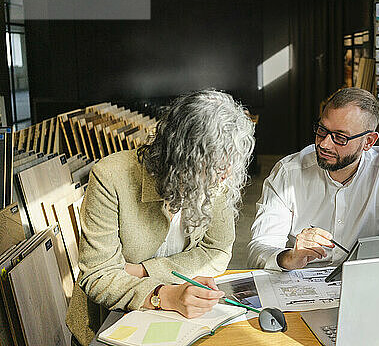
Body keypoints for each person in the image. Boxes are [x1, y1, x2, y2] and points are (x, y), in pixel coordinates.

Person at [66, 90, 255, 345]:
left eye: (231, 161)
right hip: (113, 322)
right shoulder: (111, 177)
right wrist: (165, 296)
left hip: (181, 323)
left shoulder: (217, 178)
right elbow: (99, 275)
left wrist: (144, 271)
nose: (226, 174)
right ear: (182, 156)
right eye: (216, 165)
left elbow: (218, 250)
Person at [248, 87, 379, 271]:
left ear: (368, 141)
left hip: (366, 282)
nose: (324, 144)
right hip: (299, 282)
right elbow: (259, 249)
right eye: (322, 130)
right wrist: (288, 257)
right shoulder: (288, 172)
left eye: (340, 138)